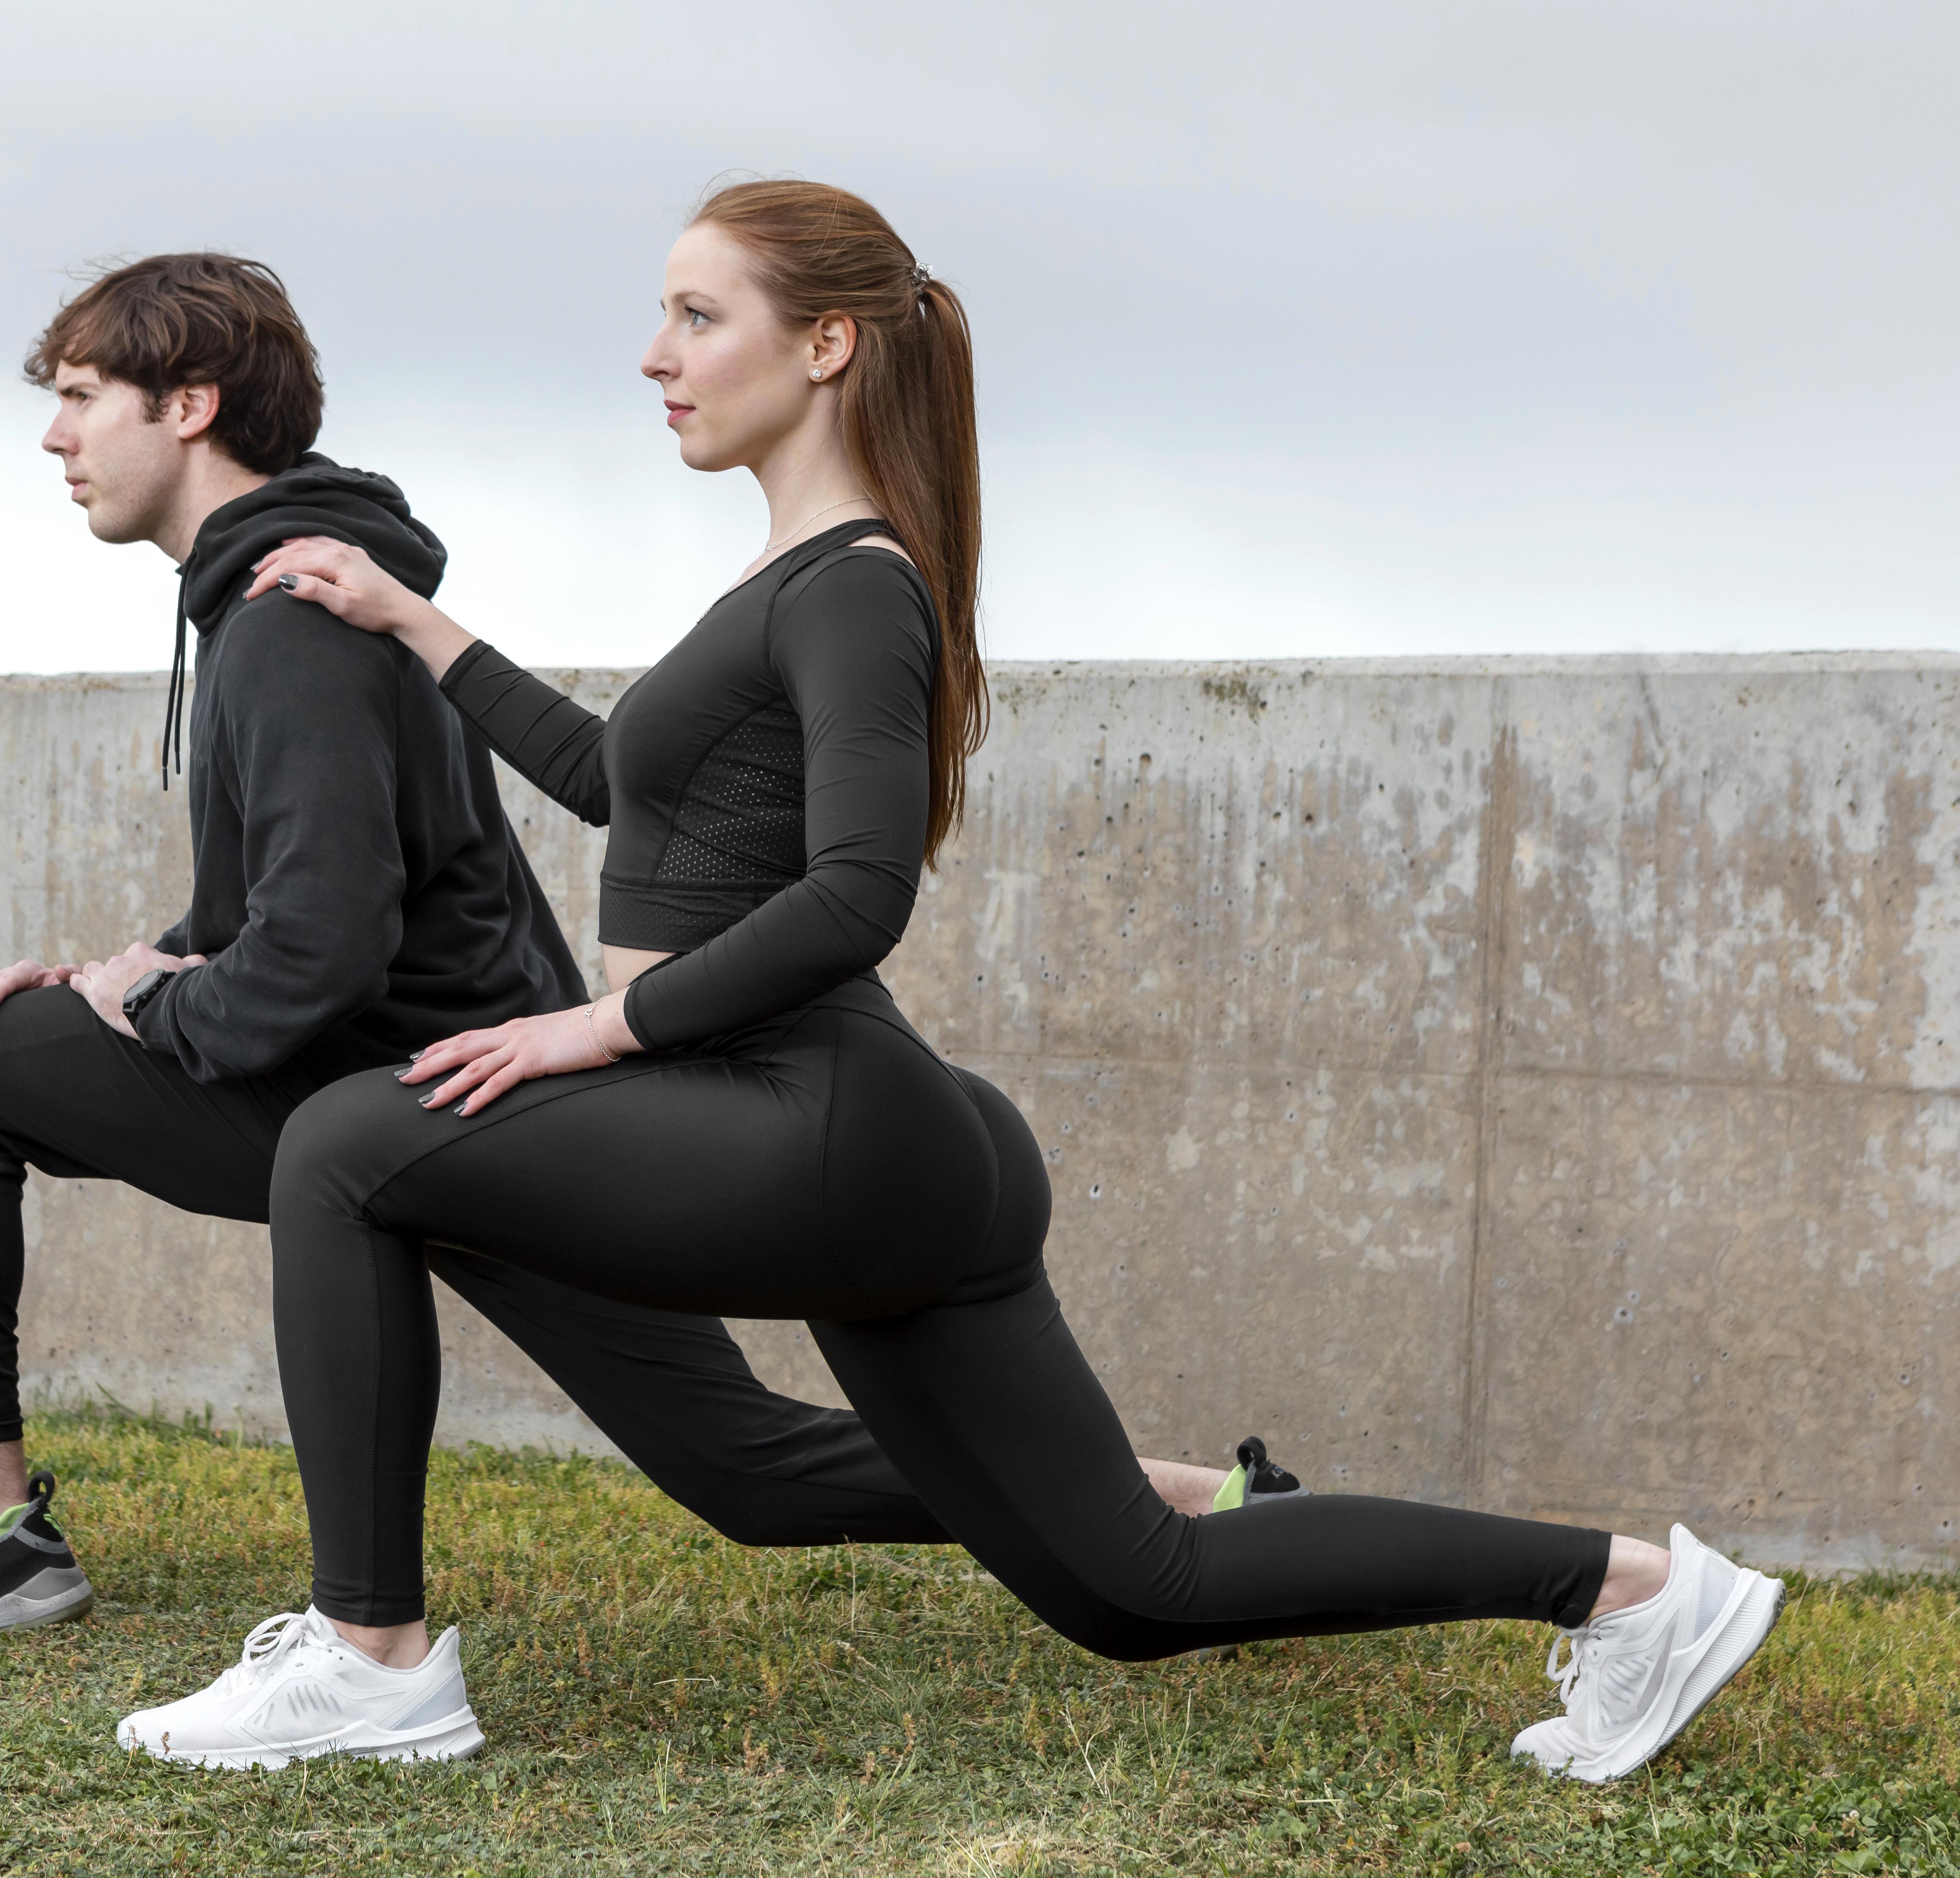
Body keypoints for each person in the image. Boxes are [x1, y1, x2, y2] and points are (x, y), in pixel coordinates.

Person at [117, 182, 1784, 1785]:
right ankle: (1637, 1593)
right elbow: (622, 782)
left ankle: (372, 1662)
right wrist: (417, 624)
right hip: (881, 1147)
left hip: (817, 1113)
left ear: (827, 344)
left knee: (350, 1141)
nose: (656, 356)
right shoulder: (795, 574)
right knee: (1134, 1588)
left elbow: (859, 894)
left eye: (697, 317)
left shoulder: (859, 584)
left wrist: (595, 1028)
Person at [0, 248, 1247, 1636]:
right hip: (493, 1076)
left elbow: (322, 947)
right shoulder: (319, 592)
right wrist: (114, 979)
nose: (56, 437)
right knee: (742, 1469)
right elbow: (340, 888)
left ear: (188, 407)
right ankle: (1190, 1503)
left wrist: (147, 1011)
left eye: (79, 396)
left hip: (398, 1090)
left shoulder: (288, 622)